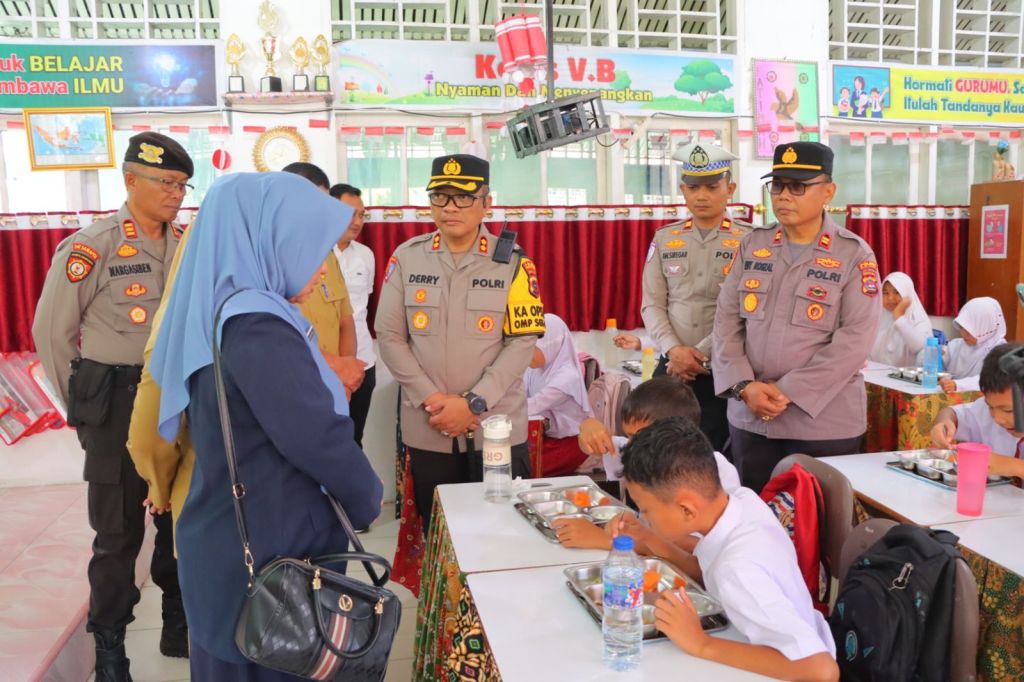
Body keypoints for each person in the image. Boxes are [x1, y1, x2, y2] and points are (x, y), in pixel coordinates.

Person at [147, 172, 383, 679]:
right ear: (270, 241)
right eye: (311, 248)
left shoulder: (225, 310)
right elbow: (315, 436)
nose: (321, 267)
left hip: (234, 539)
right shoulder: (258, 326)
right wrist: (367, 496)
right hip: (271, 554)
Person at [32, 132, 193, 679]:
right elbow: (52, 333)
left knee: (179, 521)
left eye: (182, 185)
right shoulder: (92, 245)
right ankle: (109, 647)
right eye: (166, 182)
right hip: (116, 402)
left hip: (175, 402)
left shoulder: (186, 244)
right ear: (131, 181)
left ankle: (177, 623)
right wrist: (84, 411)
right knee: (118, 535)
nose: (175, 193)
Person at [375, 153, 545, 526]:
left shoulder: (514, 262)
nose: (450, 207)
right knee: (440, 533)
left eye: (464, 197)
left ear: (487, 203)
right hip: (430, 426)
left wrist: (473, 403)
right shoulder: (407, 257)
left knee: (505, 532)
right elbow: (389, 336)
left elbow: (522, 342)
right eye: (440, 196)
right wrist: (434, 401)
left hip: (495, 427)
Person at [713, 142, 881, 492]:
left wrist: (786, 391)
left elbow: (855, 341)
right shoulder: (754, 244)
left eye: (798, 186)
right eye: (777, 185)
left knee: (818, 521)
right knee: (753, 513)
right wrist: (744, 387)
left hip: (822, 425)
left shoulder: (853, 254)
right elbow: (726, 321)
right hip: (751, 418)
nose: (784, 195)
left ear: (829, 192)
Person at [621, 417, 839, 682]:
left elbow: (821, 670)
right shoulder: (741, 501)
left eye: (646, 510)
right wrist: (649, 540)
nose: (644, 518)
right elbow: (707, 570)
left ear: (687, 509)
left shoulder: (737, 568)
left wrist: (700, 643)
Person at [641, 142, 752, 452]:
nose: (701, 195)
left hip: (724, 368)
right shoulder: (665, 238)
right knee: (661, 451)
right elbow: (652, 304)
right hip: (672, 368)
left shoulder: (750, 241)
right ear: (683, 190)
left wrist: (698, 354)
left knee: (716, 454)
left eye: (712, 187)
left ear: (730, 189)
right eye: (693, 187)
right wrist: (674, 350)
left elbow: (746, 310)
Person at [556, 375, 740, 551]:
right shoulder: (639, 451)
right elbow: (593, 446)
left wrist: (605, 540)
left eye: (637, 437)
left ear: (674, 433)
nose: (631, 445)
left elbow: (699, 548)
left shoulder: (714, 470)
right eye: (628, 436)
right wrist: (587, 427)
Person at [281, 162, 365, 398]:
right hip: (292, 383)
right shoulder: (267, 257)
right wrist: (337, 368)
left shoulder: (327, 253)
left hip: (334, 385)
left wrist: (346, 380)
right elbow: (276, 335)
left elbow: (346, 320)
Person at [931, 342, 1024, 478]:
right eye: (990, 407)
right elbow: (951, 414)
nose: (998, 419)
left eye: (1008, 411)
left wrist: (1014, 466)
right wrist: (944, 423)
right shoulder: (985, 411)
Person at [330, 183, 377, 447]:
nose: (358, 222)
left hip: (363, 364)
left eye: (362, 215)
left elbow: (362, 307)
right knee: (326, 442)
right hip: (327, 365)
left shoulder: (366, 255)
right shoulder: (315, 255)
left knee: (354, 440)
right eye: (350, 214)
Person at [525, 313, 594, 476]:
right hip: (545, 436)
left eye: (532, 348)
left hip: (572, 442)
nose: (525, 354)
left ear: (551, 345)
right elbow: (517, 394)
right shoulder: (535, 369)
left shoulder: (567, 377)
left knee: (523, 467)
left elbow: (531, 406)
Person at [937, 296, 1007, 394]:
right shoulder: (957, 345)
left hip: (983, 401)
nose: (964, 335)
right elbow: (936, 367)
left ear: (986, 327)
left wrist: (957, 385)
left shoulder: (1001, 352)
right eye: (962, 327)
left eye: (970, 330)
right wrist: (933, 354)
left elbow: (989, 380)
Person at [870, 272, 932, 367]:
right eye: (885, 293)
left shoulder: (919, 320)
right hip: (877, 373)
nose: (890, 298)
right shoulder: (877, 318)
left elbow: (922, 349)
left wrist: (899, 318)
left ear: (907, 293)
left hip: (907, 375)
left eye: (897, 292)